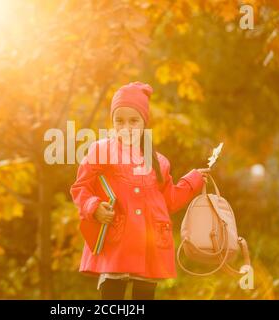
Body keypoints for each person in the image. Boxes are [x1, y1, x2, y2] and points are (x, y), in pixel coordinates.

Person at [70, 81, 210, 300]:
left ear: (144, 123)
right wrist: (94, 207)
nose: (126, 127)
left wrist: (193, 181)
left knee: (144, 296)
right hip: (116, 242)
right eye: (120, 121)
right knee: (112, 295)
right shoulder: (102, 151)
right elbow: (81, 187)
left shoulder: (158, 161)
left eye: (133, 121)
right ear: (113, 122)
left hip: (149, 245)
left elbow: (169, 200)